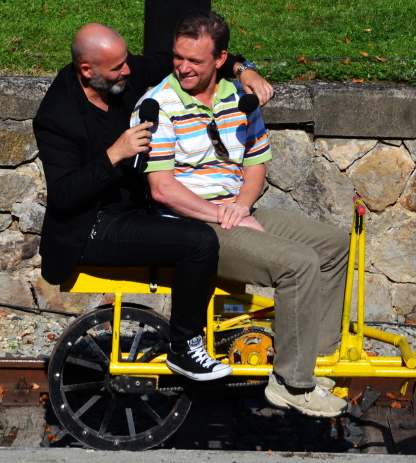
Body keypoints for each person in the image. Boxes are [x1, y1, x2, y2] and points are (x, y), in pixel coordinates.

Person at [132, 10, 350, 418]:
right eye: (179, 57)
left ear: (220, 59)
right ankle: (292, 384)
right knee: (299, 264)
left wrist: (242, 206)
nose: (183, 67)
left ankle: (314, 362)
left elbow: (256, 164)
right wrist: (222, 214)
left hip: (235, 209)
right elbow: (162, 190)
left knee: (335, 245)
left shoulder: (237, 97)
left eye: (195, 61)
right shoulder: (158, 105)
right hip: (194, 224)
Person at [33, 21, 273, 381]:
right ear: (88, 71)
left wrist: (244, 70)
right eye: (117, 68)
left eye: (126, 61)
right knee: (198, 241)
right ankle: (184, 347)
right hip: (92, 228)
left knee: (193, 228)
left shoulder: (118, 71)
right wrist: (113, 154)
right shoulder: (57, 116)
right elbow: (64, 195)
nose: (128, 71)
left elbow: (191, 57)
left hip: (133, 211)